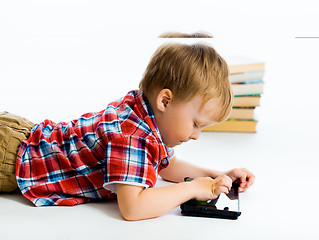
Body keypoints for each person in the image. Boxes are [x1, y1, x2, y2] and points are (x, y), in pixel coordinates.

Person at [0, 42, 255, 221]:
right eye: (196, 124)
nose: (195, 135)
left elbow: (165, 166)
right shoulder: (132, 135)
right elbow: (133, 207)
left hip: (23, 137)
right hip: (12, 160)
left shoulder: (146, 115)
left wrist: (217, 177)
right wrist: (194, 189)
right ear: (165, 101)